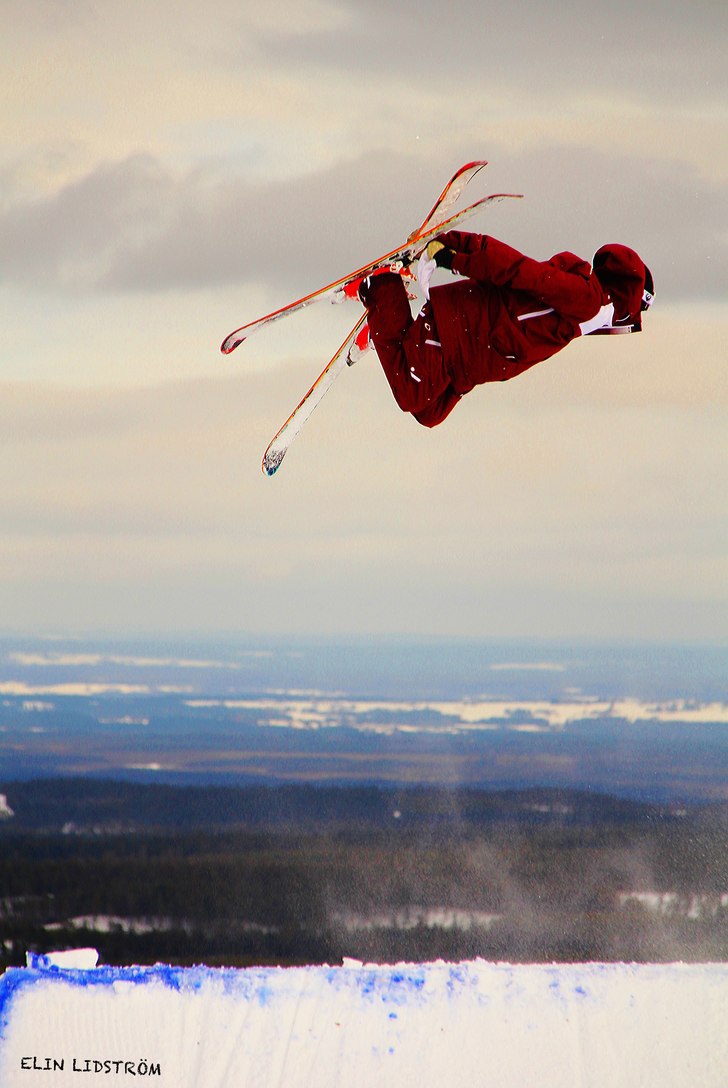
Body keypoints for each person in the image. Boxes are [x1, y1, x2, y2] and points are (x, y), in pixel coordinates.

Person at [357, 231, 654, 428]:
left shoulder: (585, 314)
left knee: (429, 413)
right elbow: (519, 270)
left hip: (470, 357)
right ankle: (381, 287)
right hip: (461, 328)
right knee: (411, 394)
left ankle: (389, 328)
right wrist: (453, 256)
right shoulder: (587, 300)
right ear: (628, 301)